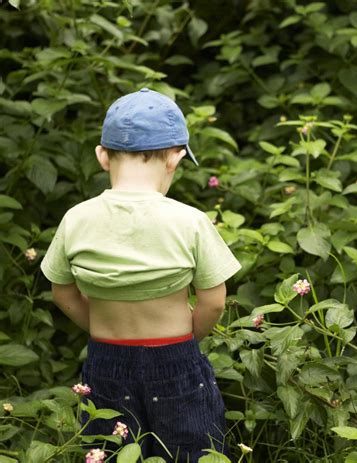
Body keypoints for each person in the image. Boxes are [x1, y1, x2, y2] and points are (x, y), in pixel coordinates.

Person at [40, 88, 242, 461]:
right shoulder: (189, 221)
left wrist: (99, 326)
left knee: (111, 452)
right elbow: (213, 301)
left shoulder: (77, 219)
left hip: (105, 362)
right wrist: (188, 339)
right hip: (176, 360)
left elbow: (62, 292)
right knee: (193, 452)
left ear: (103, 156)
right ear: (175, 158)